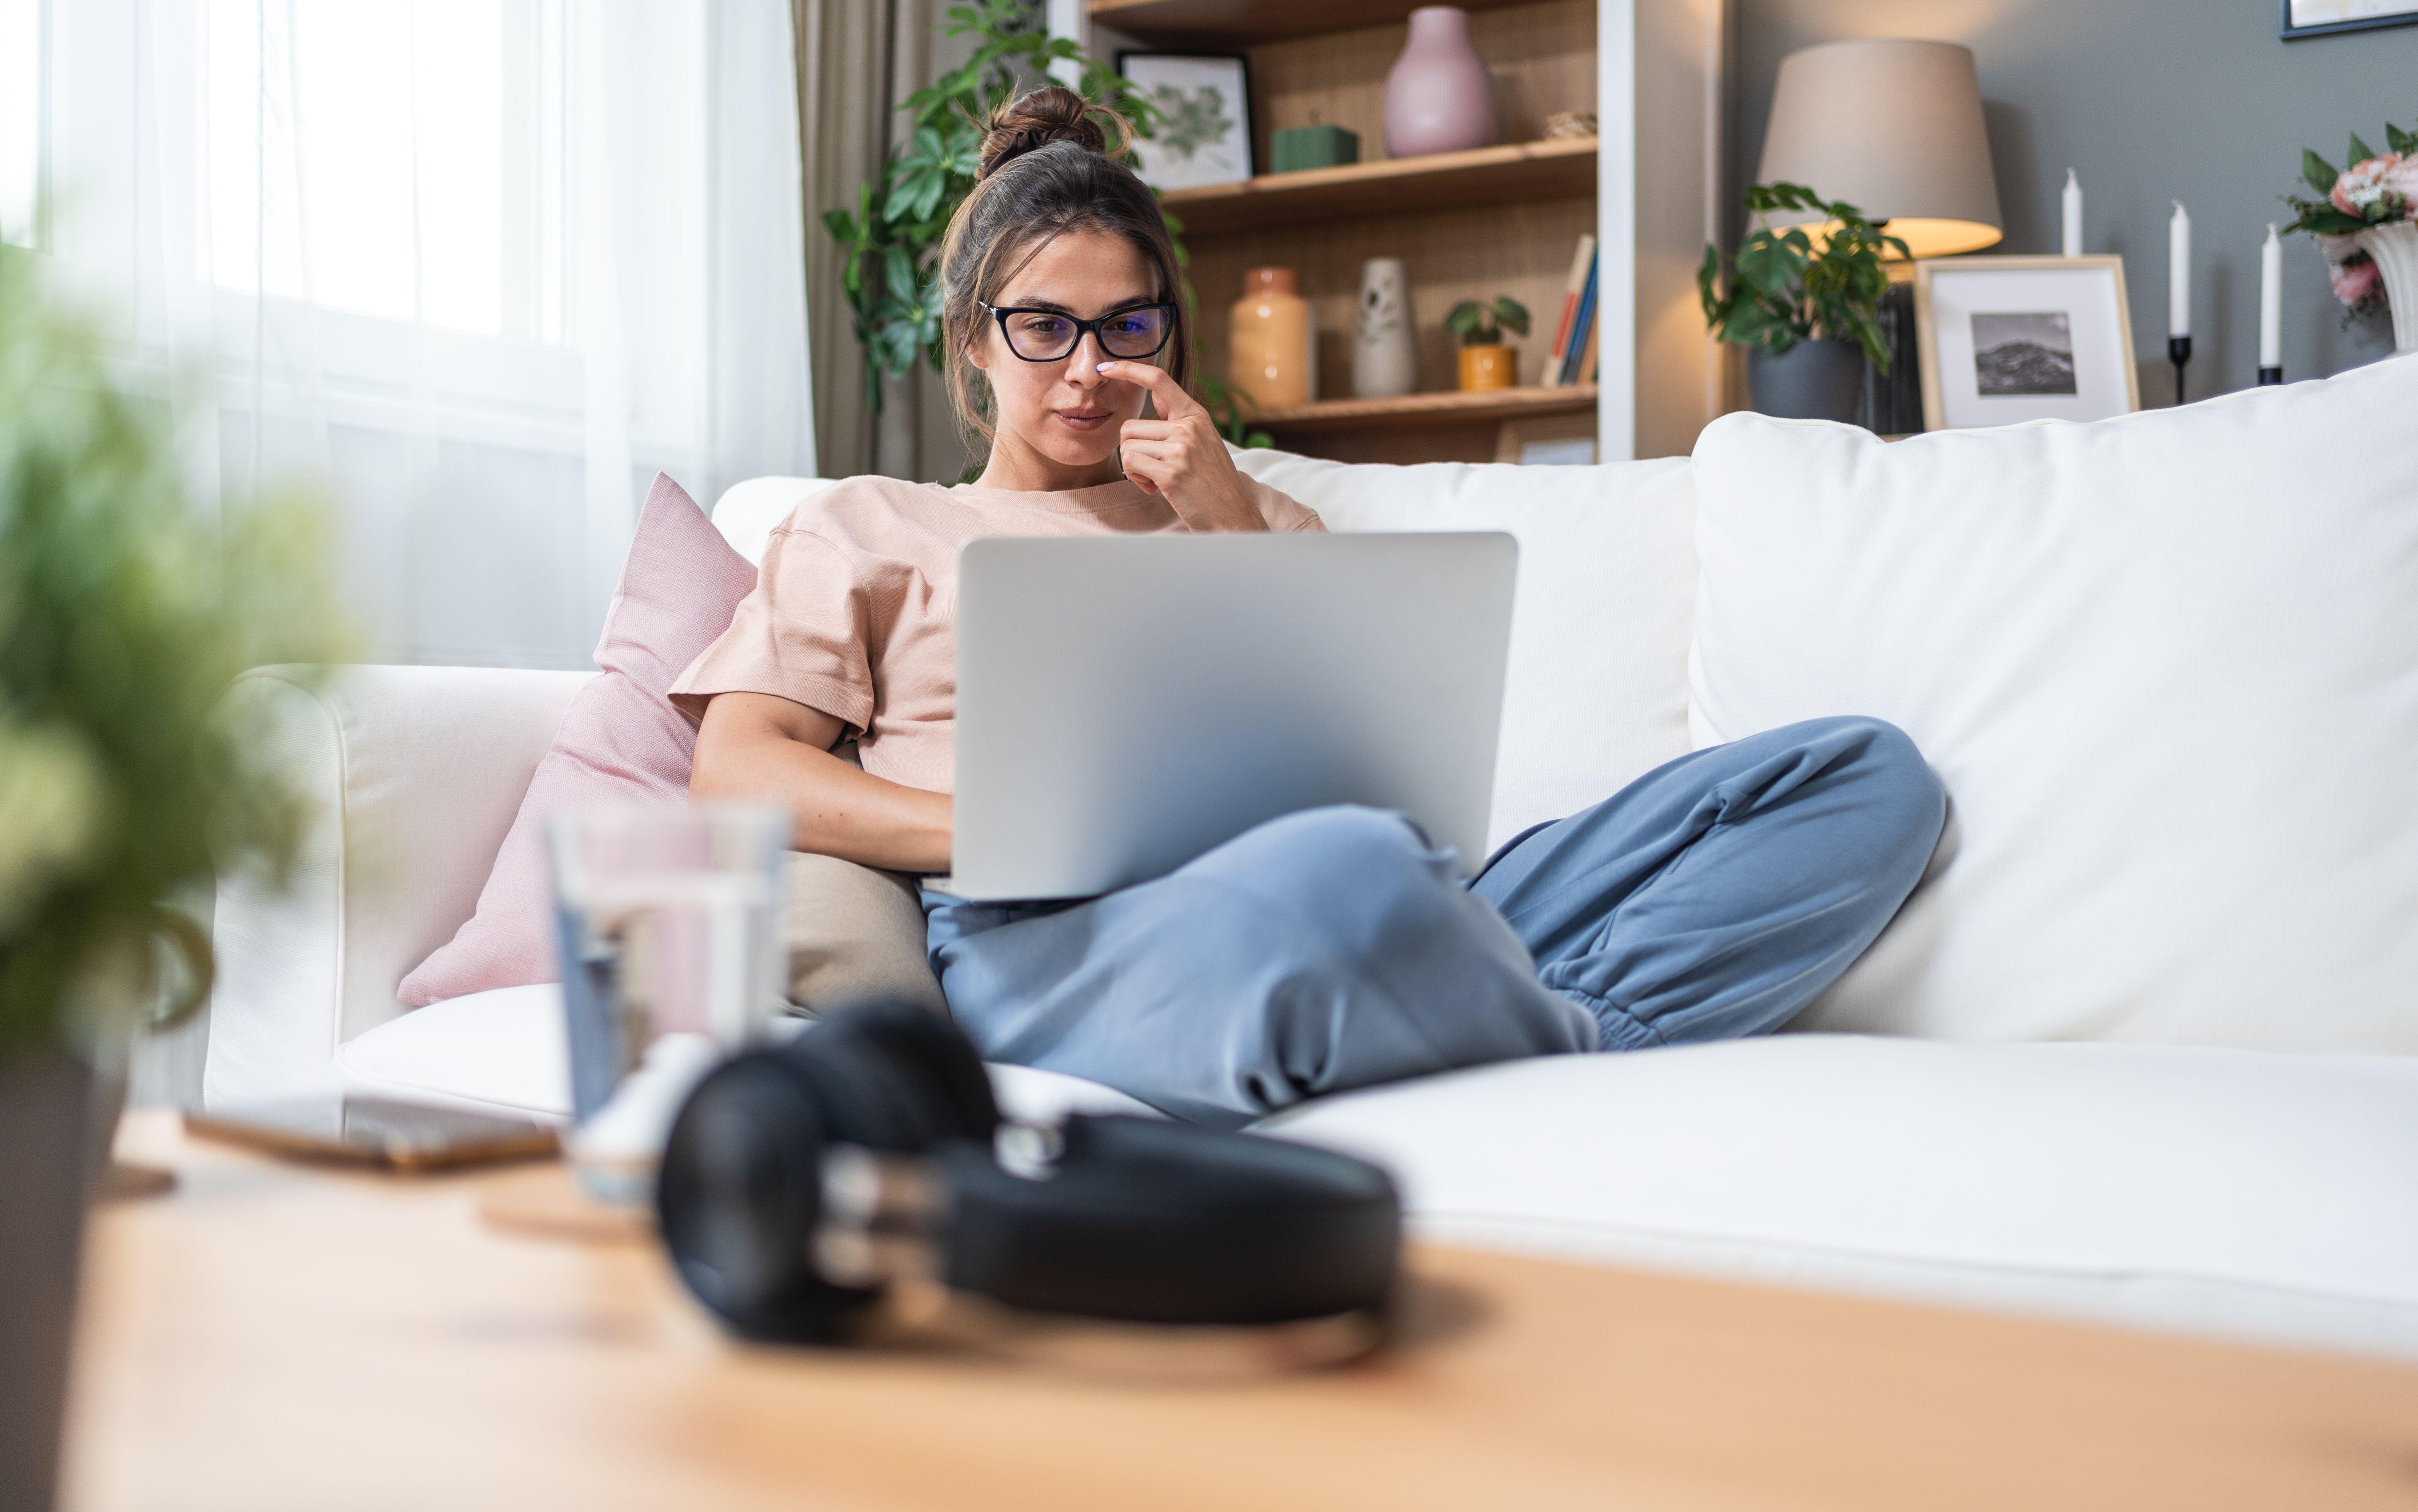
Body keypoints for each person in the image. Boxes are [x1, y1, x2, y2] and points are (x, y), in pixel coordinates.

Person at [673, 86, 1945, 1130]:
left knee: (1861, 779)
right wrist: (1006, 829)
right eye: (1042, 329)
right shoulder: (867, 523)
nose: (1089, 371)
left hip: (1360, 882)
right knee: (1347, 873)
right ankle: (1526, 1027)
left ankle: (1503, 1019)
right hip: (1050, 934)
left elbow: (1366, 767)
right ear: (971, 340)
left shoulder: (1250, 516)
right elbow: (737, 775)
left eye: (1127, 327)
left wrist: (1226, 509)